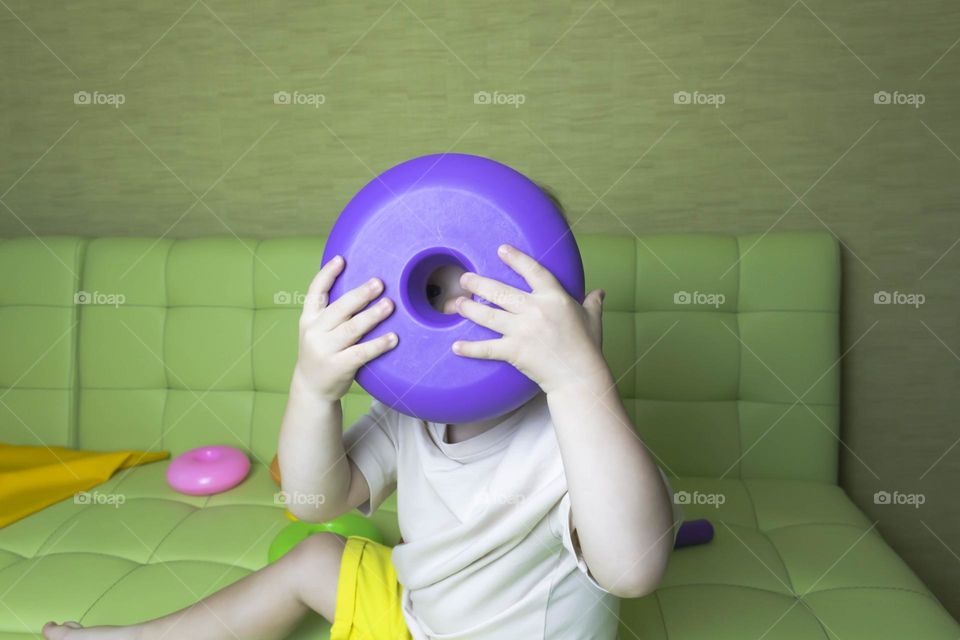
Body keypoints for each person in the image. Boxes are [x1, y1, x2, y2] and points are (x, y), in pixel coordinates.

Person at [44, 196, 679, 640]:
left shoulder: (579, 436)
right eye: (435, 290)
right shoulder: (412, 408)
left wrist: (579, 381)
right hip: (411, 623)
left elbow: (632, 568)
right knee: (316, 555)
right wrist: (313, 389)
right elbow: (315, 499)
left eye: (494, 294)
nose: (461, 312)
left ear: (569, 315)